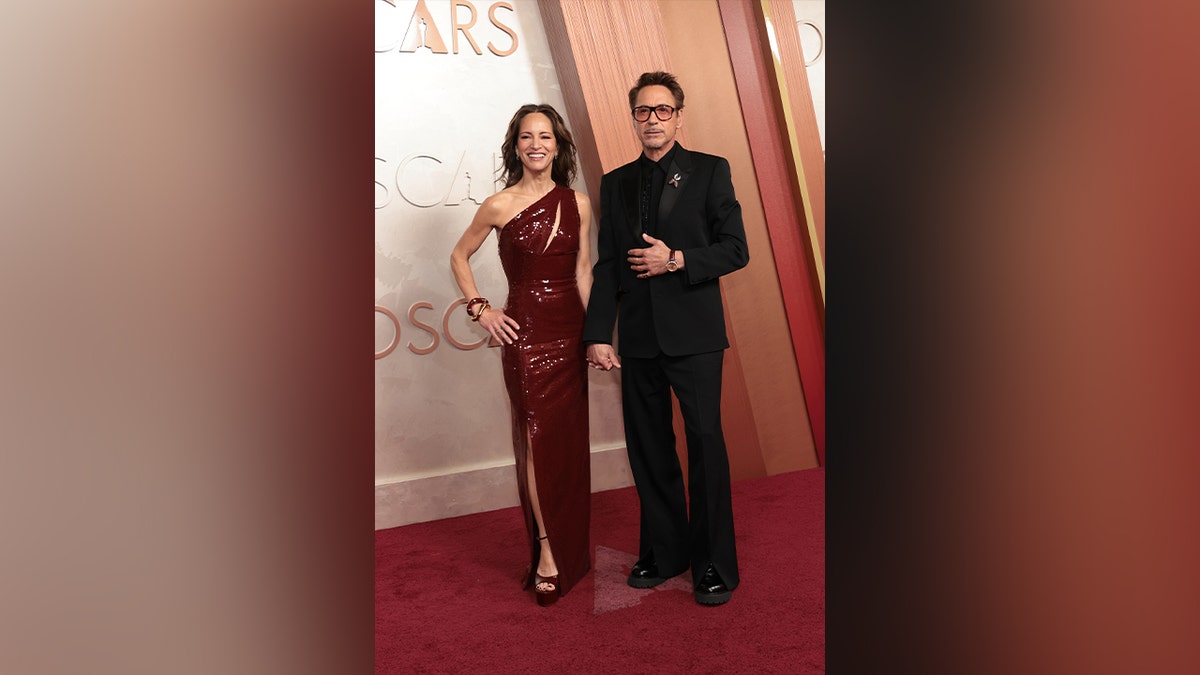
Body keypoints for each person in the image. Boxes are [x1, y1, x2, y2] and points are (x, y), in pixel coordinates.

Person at [583, 72, 749, 606]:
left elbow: (735, 248)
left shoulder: (709, 171)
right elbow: (608, 264)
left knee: (704, 447)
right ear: (633, 118)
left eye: (662, 110)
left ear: (679, 115)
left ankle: (714, 564)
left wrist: (675, 259)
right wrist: (597, 335)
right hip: (636, 339)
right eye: (642, 111)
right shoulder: (615, 182)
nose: (652, 119)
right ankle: (665, 550)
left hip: (695, 336)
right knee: (649, 450)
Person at [450, 104, 593, 606]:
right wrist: (481, 309)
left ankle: (574, 547)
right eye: (527, 137)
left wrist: (596, 333)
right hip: (526, 335)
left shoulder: (577, 202)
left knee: (567, 442)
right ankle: (548, 552)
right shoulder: (497, 204)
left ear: (558, 145)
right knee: (536, 438)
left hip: (569, 333)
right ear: (516, 146)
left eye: (546, 136)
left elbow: (581, 272)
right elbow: (458, 255)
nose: (537, 144)